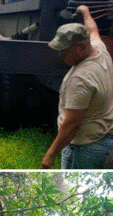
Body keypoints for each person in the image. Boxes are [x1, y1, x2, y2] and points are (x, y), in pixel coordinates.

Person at [41, 6, 113, 169]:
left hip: (84, 149)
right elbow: (92, 30)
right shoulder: (100, 50)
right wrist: (85, 12)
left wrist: (51, 154)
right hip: (104, 139)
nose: (60, 55)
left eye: (64, 50)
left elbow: (72, 125)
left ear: (81, 48)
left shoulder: (80, 79)